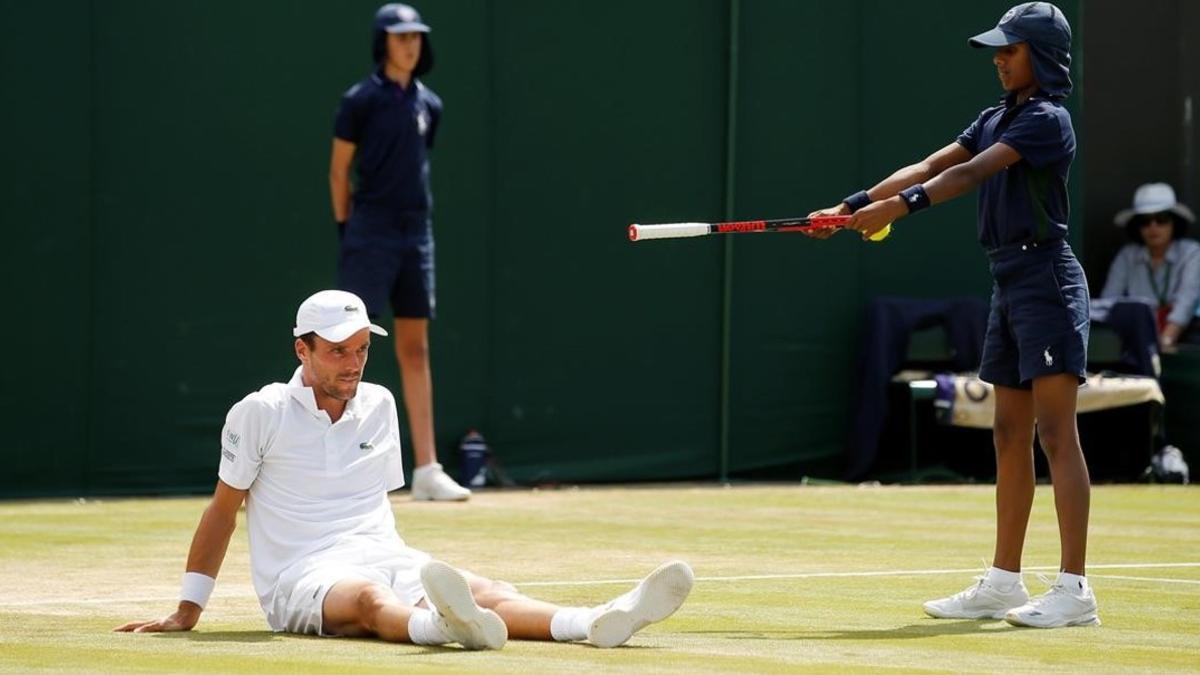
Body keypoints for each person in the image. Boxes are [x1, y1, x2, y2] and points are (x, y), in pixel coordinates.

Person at [114, 290, 694, 649]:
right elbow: (223, 511)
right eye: (338, 350)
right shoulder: (260, 410)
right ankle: (444, 628)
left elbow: (375, 511)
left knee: (483, 589)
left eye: (363, 348)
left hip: (381, 550)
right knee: (368, 599)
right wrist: (188, 609)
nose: (354, 362)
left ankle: (595, 620)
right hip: (298, 575)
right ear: (302, 350)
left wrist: (405, 568)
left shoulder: (381, 403)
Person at [808, 3, 1098, 627]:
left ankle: (1074, 590)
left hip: (1047, 279)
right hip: (1009, 282)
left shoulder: (1049, 119)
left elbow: (969, 174)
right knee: (1007, 433)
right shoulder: (996, 115)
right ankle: (1003, 581)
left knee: (1055, 434)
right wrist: (852, 204)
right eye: (998, 48)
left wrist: (899, 211)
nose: (998, 58)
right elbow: (933, 164)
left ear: (1041, 57)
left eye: (1010, 49)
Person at [329, 3, 468, 501]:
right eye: (400, 36)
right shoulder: (359, 101)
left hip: (416, 233)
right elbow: (339, 171)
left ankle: (427, 469)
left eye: (416, 36)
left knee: (416, 347)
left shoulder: (430, 104)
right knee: (345, 343)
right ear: (383, 42)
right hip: (370, 230)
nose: (410, 44)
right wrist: (350, 230)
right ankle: (329, 463)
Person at [1101, 182, 1200, 351]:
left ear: (1174, 223)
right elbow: (1109, 301)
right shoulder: (1127, 255)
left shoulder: (1192, 253)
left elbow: (1186, 302)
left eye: (1161, 219)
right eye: (1144, 221)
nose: (1153, 227)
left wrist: (1163, 343)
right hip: (1135, 338)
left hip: (1184, 337)